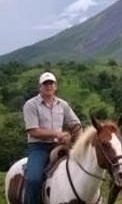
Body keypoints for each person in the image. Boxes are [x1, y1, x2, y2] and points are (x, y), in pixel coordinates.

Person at [23, 72, 82, 204]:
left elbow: (76, 124)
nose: (48, 86)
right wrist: (57, 134)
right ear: (40, 87)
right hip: (39, 147)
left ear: (55, 86)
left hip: (59, 146)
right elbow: (33, 131)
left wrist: (76, 140)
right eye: (45, 83)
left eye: (51, 83)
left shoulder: (63, 105)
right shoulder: (31, 105)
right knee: (34, 179)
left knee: (81, 171)